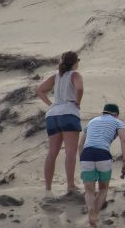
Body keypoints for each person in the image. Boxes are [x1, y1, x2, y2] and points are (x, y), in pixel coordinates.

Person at [37, 51, 84, 194]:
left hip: (53, 114)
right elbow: (80, 88)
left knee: (52, 153)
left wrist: (51, 104)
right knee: (70, 152)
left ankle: (48, 188)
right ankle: (70, 185)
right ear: (75, 62)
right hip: (68, 112)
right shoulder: (75, 75)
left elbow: (39, 90)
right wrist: (77, 102)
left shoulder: (56, 76)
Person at [79, 103, 125, 227]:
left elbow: (80, 145)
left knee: (89, 191)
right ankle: (95, 214)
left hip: (86, 155)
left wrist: (82, 160)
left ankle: (91, 210)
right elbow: (123, 140)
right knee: (103, 189)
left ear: (104, 112)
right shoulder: (118, 122)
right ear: (116, 114)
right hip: (103, 154)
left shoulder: (91, 121)